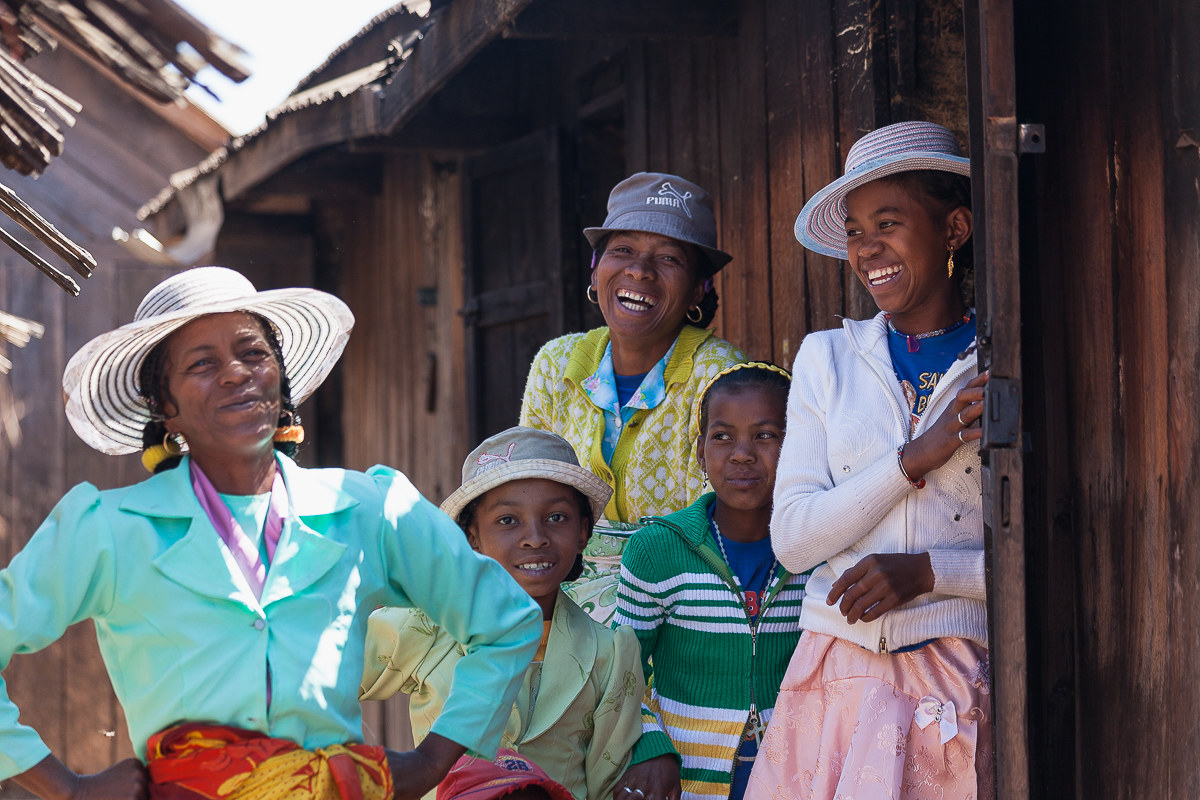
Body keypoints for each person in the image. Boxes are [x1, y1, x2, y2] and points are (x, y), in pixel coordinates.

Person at [0, 267, 541, 799]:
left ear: (279, 375)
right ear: (165, 405)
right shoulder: (109, 531)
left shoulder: (368, 509)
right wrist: (67, 788)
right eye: (203, 363)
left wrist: (431, 762)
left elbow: (506, 623)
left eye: (253, 353)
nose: (236, 373)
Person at [746, 121, 992, 800]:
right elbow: (794, 542)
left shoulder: (999, 364)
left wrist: (928, 572)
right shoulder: (828, 358)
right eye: (855, 230)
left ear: (955, 229)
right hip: (834, 676)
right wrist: (912, 458)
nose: (866, 248)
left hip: (954, 680)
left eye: (888, 222)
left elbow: (1043, 556)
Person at [361, 426, 645, 800]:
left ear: (583, 533)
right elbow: (310, 675)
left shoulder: (610, 652)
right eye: (508, 520)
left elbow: (607, 782)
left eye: (556, 517)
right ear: (471, 538)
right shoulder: (428, 625)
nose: (535, 537)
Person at [519, 172, 747, 626]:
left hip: (683, 605)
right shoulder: (556, 364)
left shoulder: (721, 376)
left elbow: (722, 526)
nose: (640, 271)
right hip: (555, 596)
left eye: (668, 258)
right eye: (622, 250)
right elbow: (528, 495)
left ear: (700, 287)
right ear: (595, 266)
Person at [612, 363, 809, 800]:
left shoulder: (816, 551)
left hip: (798, 777)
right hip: (686, 781)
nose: (742, 453)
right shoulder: (659, 550)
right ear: (700, 451)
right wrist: (650, 746)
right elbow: (619, 672)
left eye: (766, 435)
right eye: (722, 436)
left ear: (799, 447)